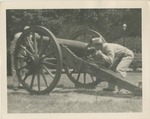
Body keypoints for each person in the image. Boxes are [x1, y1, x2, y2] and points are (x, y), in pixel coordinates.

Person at [9, 26, 30, 90]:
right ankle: (15, 85)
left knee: (23, 68)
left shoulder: (29, 36)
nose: (29, 34)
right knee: (15, 69)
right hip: (15, 51)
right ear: (24, 31)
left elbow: (28, 44)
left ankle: (21, 83)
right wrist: (14, 53)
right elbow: (13, 45)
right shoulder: (17, 36)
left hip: (23, 52)